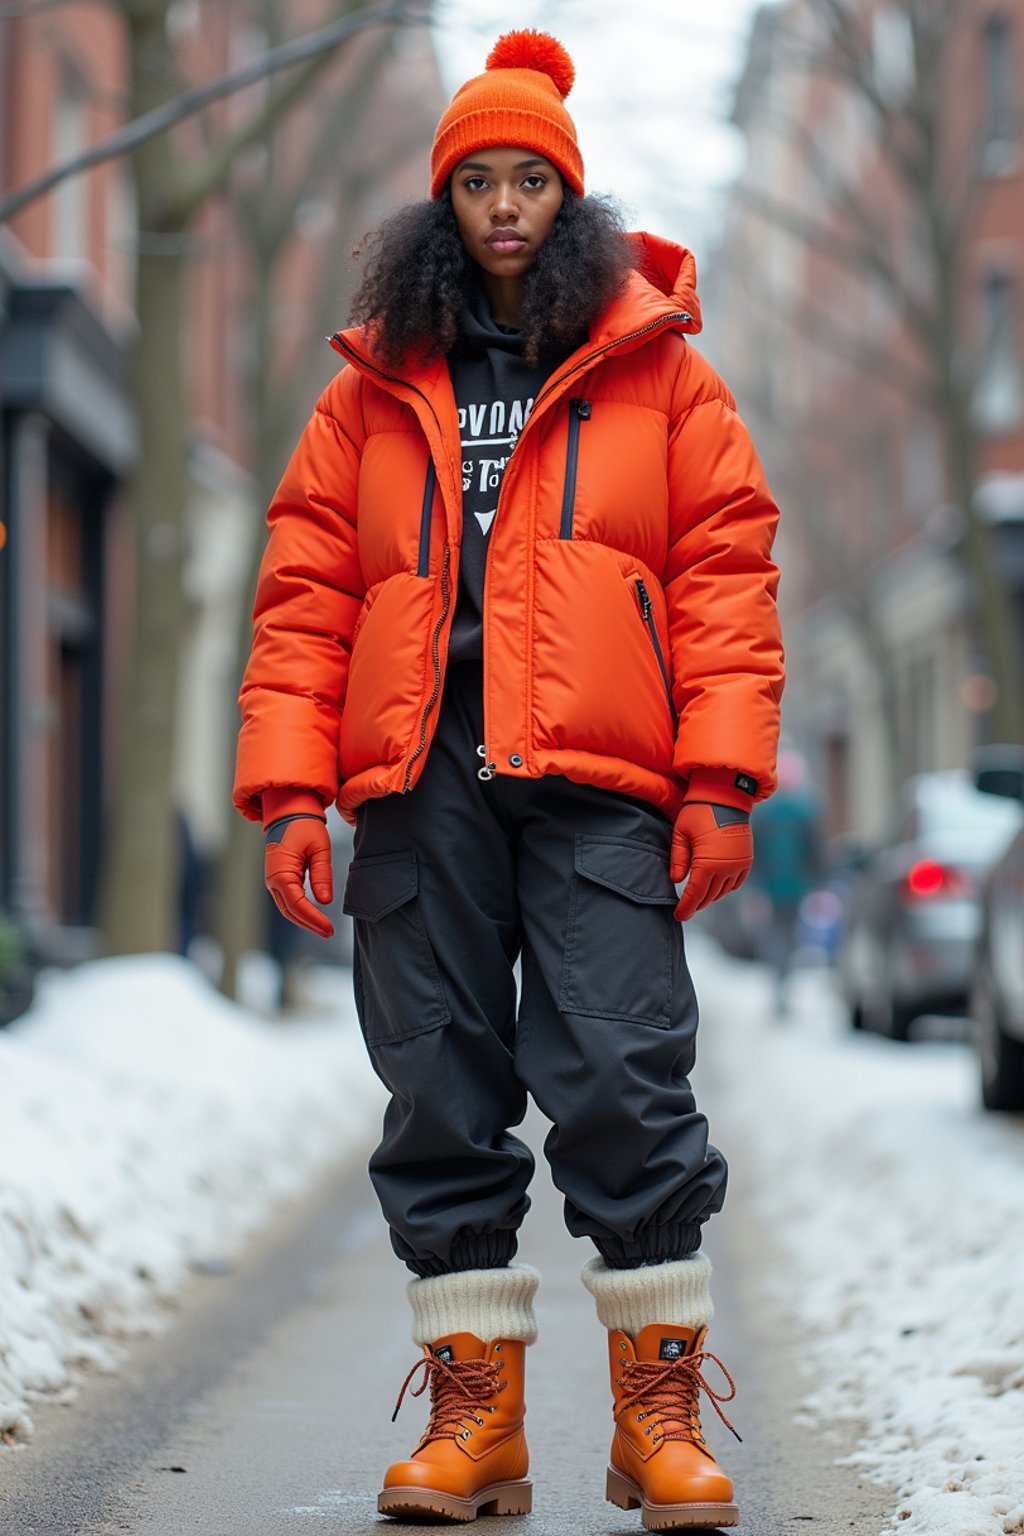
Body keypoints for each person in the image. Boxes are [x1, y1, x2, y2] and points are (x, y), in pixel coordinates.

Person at [233, 30, 784, 1531]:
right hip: (420, 776)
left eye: (528, 179)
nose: (500, 207)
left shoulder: (660, 373)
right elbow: (304, 598)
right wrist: (292, 794)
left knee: (622, 1069)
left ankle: (654, 1420)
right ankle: (479, 1426)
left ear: (570, 195)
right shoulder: (370, 390)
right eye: (473, 181)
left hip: (604, 777)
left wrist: (719, 778)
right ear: (439, 204)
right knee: (440, 1082)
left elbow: (726, 574)